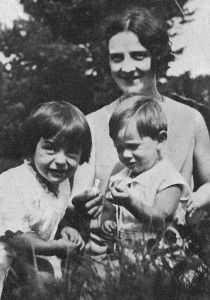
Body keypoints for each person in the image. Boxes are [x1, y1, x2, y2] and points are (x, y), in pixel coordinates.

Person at [70, 6, 210, 258]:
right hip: (109, 258)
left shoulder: (191, 119)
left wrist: (198, 199)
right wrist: (82, 204)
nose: (126, 67)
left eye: (138, 55)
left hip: (172, 258)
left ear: (157, 57)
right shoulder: (92, 122)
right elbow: (76, 196)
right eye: (117, 58)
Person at [0, 101, 92, 296]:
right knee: (42, 280)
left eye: (71, 152)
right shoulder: (12, 182)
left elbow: (54, 213)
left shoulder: (62, 184)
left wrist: (66, 228)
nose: (60, 161)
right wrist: (56, 247)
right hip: (5, 258)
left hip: (29, 258)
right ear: (32, 146)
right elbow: (16, 237)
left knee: (60, 279)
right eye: (50, 148)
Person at [101, 97, 190, 255]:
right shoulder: (121, 176)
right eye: (119, 148)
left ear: (160, 140)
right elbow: (110, 209)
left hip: (161, 256)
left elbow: (161, 218)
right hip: (129, 254)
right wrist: (108, 223)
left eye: (133, 146)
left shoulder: (168, 178)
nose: (126, 155)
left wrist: (131, 203)